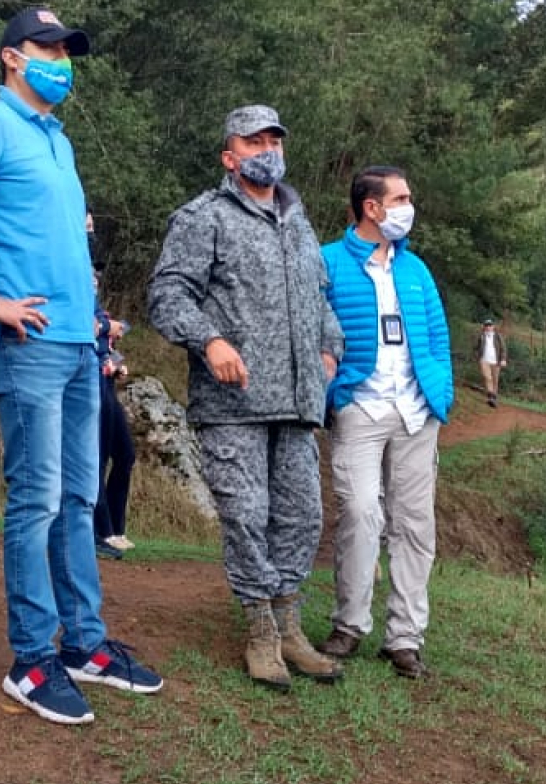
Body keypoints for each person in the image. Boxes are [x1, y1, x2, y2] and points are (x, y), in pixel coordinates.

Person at [0, 5, 163, 727]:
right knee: (37, 504)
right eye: (45, 46)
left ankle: (84, 644)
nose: (61, 58)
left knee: (80, 501)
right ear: (11, 58)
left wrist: (96, 321)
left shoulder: (57, 140)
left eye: (67, 49)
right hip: (27, 351)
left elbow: (61, 246)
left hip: (80, 349)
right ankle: (32, 659)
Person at [148, 104, 346, 691]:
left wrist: (330, 348)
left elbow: (320, 299)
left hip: (298, 402)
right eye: (253, 140)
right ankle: (260, 627)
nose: (267, 149)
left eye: (273, 139)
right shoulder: (202, 217)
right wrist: (209, 340)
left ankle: (289, 626)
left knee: (304, 516)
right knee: (246, 514)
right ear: (228, 156)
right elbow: (166, 294)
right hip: (232, 402)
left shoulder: (299, 222)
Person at [314, 166, 453, 679]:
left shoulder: (416, 269)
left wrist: (442, 388)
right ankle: (349, 623)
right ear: (371, 207)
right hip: (359, 407)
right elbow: (313, 332)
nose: (408, 206)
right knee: (360, 512)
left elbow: (438, 336)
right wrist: (331, 395)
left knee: (415, 525)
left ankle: (404, 637)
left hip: (417, 412)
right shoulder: (327, 262)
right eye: (400, 198)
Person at [93, 285, 137, 558]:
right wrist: (110, 325)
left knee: (125, 454)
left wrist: (114, 363)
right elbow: (91, 328)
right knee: (96, 457)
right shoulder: (72, 280)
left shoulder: (92, 294)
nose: (96, 278)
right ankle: (100, 532)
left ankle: (115, 529)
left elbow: (101, 336)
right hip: (90, 380)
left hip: (106, 380)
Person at [474, 319, 506, 407]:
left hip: (496, 361)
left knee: (495, 380)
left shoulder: (497, 336)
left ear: (493, 327)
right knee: (487, 377)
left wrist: (503, 359)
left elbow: (503, 348)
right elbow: (476, 347)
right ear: (484, 327)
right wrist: (478, 357)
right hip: (484, 360)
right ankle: (490, 395)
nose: (488, 327)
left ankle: (493, 398)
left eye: (490, 325)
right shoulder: (481, 336)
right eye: (487, 326)